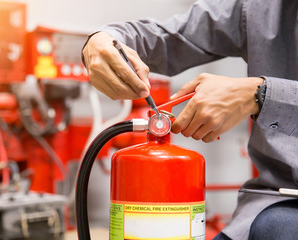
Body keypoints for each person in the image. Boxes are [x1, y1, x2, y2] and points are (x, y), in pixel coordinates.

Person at [82, 0, 298, 239]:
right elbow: (169, 36)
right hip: (268, 201)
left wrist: (261, 94)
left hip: (279, 223)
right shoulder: (260, 7)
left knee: (276, 227)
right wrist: (103, 41)